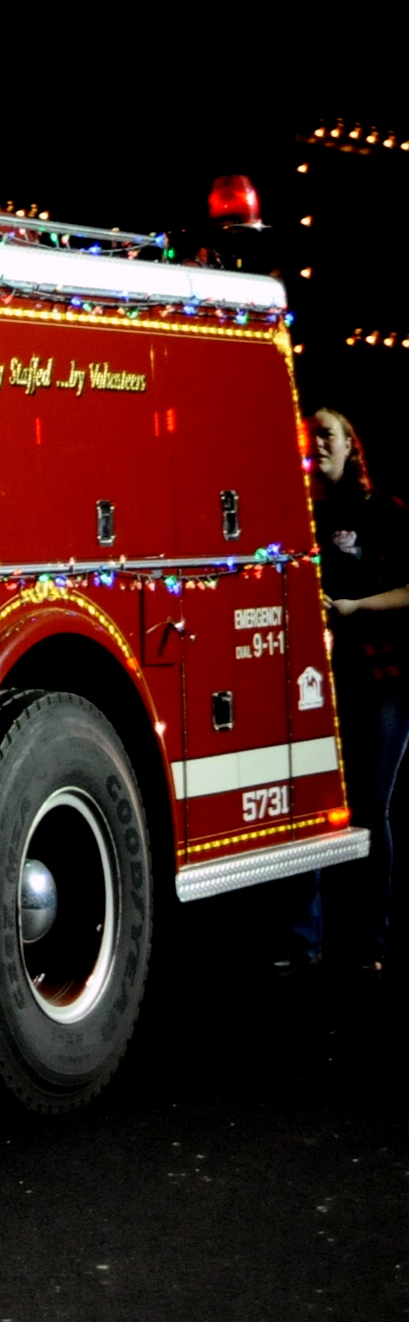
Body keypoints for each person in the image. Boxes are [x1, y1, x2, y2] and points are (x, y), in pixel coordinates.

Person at [297, 406, 409, 973]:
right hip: (322, 683)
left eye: (327, 435)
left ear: (350, 446)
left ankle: (372, 945)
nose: (317, 443)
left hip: (383, 683)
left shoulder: (383, 512)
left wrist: (356, 608)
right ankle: (305, 943)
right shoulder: (303, 515)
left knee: (371, 806)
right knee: (316, 807)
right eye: (311, 434)